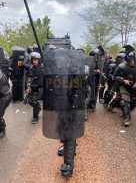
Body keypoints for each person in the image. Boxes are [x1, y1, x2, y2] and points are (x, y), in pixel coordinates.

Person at [43, 48, 86, 177]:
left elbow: (82, 91)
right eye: (57, 58)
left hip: (72, 107)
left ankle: (68, 164)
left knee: (69, 134)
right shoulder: (55, 72)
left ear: (67, 59)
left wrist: (75, 107)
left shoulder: (76, 71)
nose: (58, 60)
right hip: (59, 107)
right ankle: (67, 149)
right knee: (61, 130)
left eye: (61, 57)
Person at [112, 51, 136, 126]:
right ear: (128, 60)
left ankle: (113, 104)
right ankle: (127, 118)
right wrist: (123, 80)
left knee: (134, 102)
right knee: (124, 102)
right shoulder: (121, 66)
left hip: (133, 86)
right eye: (134, 60)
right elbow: (114, 77)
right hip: (123, 85)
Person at [26, 52, 43, 124]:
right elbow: (29, 77)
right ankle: (38, 107)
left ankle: (35, 117)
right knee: (30, 101)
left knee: (35, 102)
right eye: (33, 60)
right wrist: (28, 86)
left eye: (36, 60)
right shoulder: (31, 68)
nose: (35, 61)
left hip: (40, 87)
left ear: (39, 60)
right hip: (33, 87)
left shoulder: (43, 67)